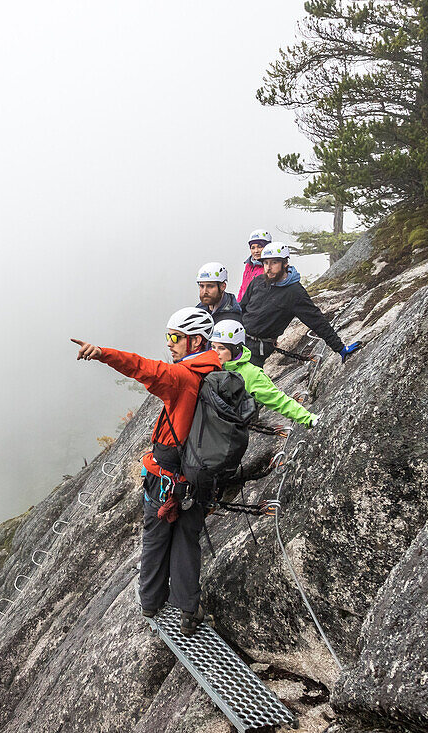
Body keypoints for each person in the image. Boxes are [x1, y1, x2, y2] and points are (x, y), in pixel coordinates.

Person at [71, 307, 218, 636]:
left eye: (174, 337)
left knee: (156, 538)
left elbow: (142, 368)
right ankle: (188, 611)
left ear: (195, 340)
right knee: (187, 541)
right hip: (200, 475)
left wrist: (102, 353)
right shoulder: (220, 370)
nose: (169, 344)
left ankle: (151, 601)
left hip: (167, 476)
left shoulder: (181, 377)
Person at [239, 242, 362, 368]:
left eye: (274, 262)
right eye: (266, 263)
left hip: (257, 349)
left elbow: (317, 321)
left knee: (241, 382)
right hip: (238, 339)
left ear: (285, 263)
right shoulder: (258, 282)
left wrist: (340, 348)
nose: (269, 267)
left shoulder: (294, 292)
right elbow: (240, 309)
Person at [209, 320, 318, 428]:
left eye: (222, 348)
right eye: (213, 347)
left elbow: (277, 399)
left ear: (236, 348)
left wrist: (307, 418)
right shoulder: (210, 366)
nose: (216, 352)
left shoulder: (250, 374)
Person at [237, 229, 270, 302]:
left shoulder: (269, 267)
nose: (256, 251)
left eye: (260, 246)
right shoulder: (248, 265)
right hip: (244, 306)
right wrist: (238, 306)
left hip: (257, 307)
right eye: (253, 247)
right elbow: (243, 288)